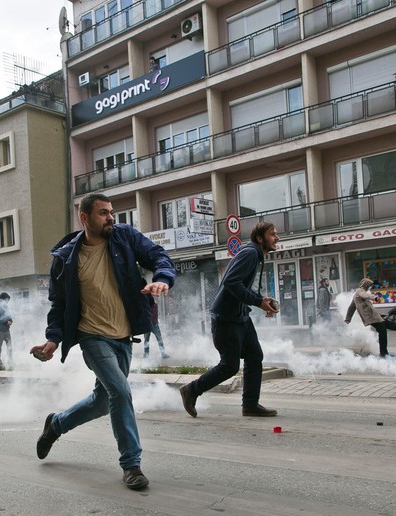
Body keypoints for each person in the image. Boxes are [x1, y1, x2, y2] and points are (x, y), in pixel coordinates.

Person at [30, 193, 175, 491]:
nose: (111, 217)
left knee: (102, 401)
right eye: (102, 213)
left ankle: (55, 424)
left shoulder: (124, 237)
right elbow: (59, 305)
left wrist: (163, 278)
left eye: (111, 212)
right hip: (92, 337)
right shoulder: (66, 258)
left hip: (123, 336)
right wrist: (52, 340)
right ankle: (131, 465)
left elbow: (159, 255)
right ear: (84, 218)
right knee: (121, 392)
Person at [178, 222, 279, 420]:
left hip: (240, 317)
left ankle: (250, 405)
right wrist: (258, 302)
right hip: (226, 319)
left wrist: (262, 302)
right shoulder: (250, 253)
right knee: (230, 366)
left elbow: (240, 285)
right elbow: (231, 281)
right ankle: (191, 390)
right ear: (260, 238)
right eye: (272, 234)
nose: (277, 238)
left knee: (254, 356)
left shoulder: (254, 255)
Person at [344, 278, 396, 357]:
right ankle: (383, 353)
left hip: (375, 315)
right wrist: (374, 298)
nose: (369, 288)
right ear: (366, 285)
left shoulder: (357, 294)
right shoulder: (360, 291)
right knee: (383, 331)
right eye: (369, 286)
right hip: (371, 317)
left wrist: (348, 318)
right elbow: (365, 296)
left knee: (391, 325)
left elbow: (351, 307)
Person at [0, 292, 13, 366]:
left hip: (6, 330)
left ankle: (10, 360)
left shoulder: (6, 307)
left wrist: (10, 321)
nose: (7, 302)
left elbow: (9, 316)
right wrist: (5, 321)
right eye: (7, 300)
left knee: (9, 345)